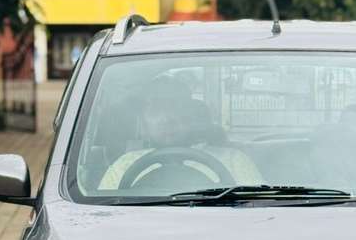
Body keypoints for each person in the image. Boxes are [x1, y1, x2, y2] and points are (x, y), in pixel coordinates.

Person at [99, 75, 261, 190]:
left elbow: (258, 216)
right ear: (142, 120)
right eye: (156, 109)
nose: (166, 119)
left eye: (175, 107)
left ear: (191, 114)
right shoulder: (124, 166)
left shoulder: (233, 161)